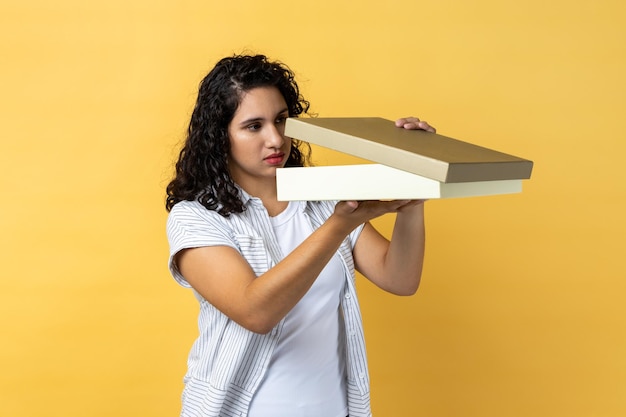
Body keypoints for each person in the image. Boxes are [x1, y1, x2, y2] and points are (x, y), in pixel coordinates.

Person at [165, 54, 436, 417]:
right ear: (220, 136)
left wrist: (413, 191)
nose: (275, 139)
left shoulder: (322, 201)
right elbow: (256, 311)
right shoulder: (196, 217)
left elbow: (400, 278)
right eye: (253, 126)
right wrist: (340, 224)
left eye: (281, 120)